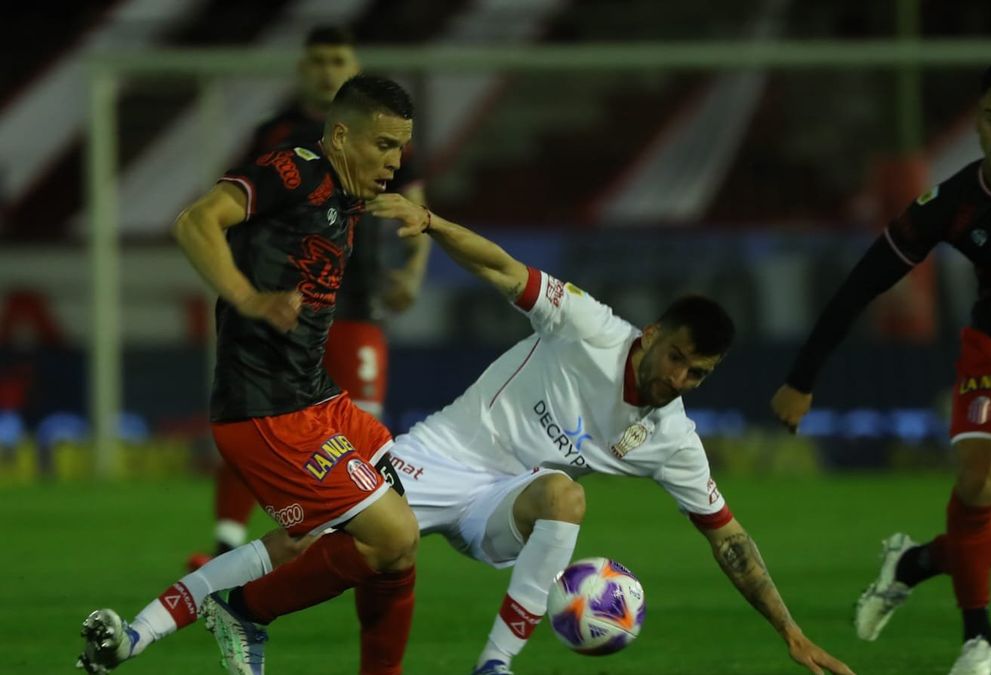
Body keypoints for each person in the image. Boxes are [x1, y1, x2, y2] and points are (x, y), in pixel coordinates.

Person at [82, 198, 857, 675]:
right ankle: (141, 633)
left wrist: (790, 631)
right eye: (678, 358)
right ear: (653, 336)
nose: (681, 378)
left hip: (502, 510)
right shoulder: (590, 327)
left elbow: (730, 539)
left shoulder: (673, 437)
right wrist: (436, 224)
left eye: (699, 374)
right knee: (306, 543)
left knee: (564, 494)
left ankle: (495, 664)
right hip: (438, 457)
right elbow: (502, 268)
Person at [770, 60, 991, 675]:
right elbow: (862, 284)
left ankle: (912, 565)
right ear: (977, 124)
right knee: (979, 477)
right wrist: (803, 376)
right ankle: (977, 641)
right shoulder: (952, 203)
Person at [77, 75, 423, 675]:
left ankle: (137, 636)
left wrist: (425, 227)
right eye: (384, 145)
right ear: (341, 135)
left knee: (366, 521)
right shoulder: (294, 171)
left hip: (316, 399)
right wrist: (247, 297)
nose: (394, 161)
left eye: (400, 148)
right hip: (267, 410)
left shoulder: (345, 194)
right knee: (391, 537)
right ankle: (246, 613)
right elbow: (195, 221)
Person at [195, 25, 431, 571]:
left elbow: (413, 198)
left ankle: (307, 551)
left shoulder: (381, 133)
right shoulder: (280, 144)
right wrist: (247, 293)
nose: (327, 70)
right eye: (318, 60)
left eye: (338, 60)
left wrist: (413, 269)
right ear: (303, 69)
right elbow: (213, 214)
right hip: (280, 315)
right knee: (263, 414)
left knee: (368, 458)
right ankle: (231, 545)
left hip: (354, 305)